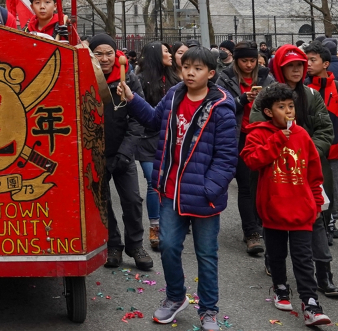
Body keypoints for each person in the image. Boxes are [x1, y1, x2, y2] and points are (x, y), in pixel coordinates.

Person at [117, 46, 238, 331]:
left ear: (210, 73)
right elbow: (152, 120)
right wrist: (132, 98)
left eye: (197, 68)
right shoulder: (173, 96)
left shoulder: (221, 106)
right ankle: (175, 298)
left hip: (205, 198)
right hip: (171, 191)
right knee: (169, 247)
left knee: (206, 255)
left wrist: (210, 189)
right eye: (186, 67)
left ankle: (208, 310)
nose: (190, 72)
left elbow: (226, 157)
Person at [249, 45, 338, 299]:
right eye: (291, 65)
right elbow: (257, 129)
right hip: (275, 170)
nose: (298, 69)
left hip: (306, 169)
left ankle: (324, 274)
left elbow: (325, 130)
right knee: (274, 222)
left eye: (301, 64)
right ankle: (276, 269)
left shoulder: (311, 95)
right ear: (280, 67)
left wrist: (308, 150)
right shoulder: (266, 97)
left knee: (317, 220)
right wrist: (280, 143)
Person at [241, 84, 331, 327]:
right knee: (277, 254)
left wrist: (316, 202)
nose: (288, 112)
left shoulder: (302, 135)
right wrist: (278, 140)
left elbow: (313, 171)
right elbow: (251, 160)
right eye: (281, 107)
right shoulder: (258, 133)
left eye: (291, 106)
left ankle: (310, 303)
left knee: (303, 258)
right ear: (269, 112)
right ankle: (281, 287)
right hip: (273, 210)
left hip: (302, 210)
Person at [89, 34, 153, 271]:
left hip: (123, 154)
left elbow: (138, 120)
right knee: (102, 203)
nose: (104, 59)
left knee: (133, 201)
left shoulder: (129, 79)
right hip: (96, 154)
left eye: (109, 53)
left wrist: (126, 153)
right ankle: (113, 244)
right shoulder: (85, 75)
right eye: (99, 54)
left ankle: (135, 245)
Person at [216, 41, 274, 255]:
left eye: (252, 60)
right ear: (237, 60)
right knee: (246, 185)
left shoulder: (266, 77)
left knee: (264, 184)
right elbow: (219, 104)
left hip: (263, 135)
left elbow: (279, 101)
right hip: (238, 137)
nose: (249, 65)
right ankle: (251, 232)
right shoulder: (225, 77)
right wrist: (240, 100)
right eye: (244, 61)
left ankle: (263, 224)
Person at [304, 41, 338, 243]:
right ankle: (311, 224)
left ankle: (329, 223)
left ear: (325, 64)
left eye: (312, 60)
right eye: (306, 59)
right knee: (309, 187)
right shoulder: (304, 89)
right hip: (309, 150)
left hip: (335, 150)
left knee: (332, 189)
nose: (307, 64)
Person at [135, 41, 181, 251]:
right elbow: (142, 112)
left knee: (168, 181)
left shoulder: (175, 78)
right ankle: (155, 226)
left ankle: (170, 224)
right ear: (155, 55)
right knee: (153, 181)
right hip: (146, 140)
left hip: (170, 138)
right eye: (166, 52)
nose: (170, 55)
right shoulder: (140, 80)